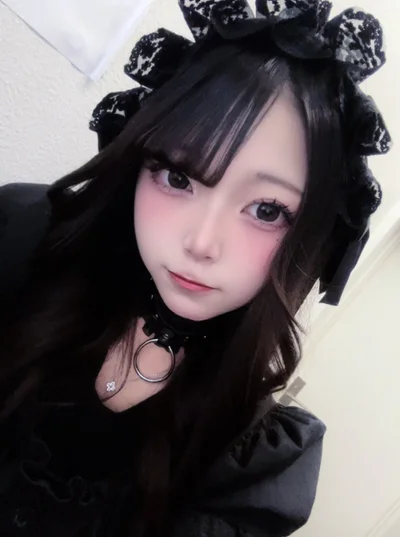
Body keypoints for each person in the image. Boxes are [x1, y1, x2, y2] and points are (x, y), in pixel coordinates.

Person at [0, 0, 392, 536]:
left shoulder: (255, 464)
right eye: (178, 177)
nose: (202, 243)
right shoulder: (21, 240)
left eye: (268, 210)